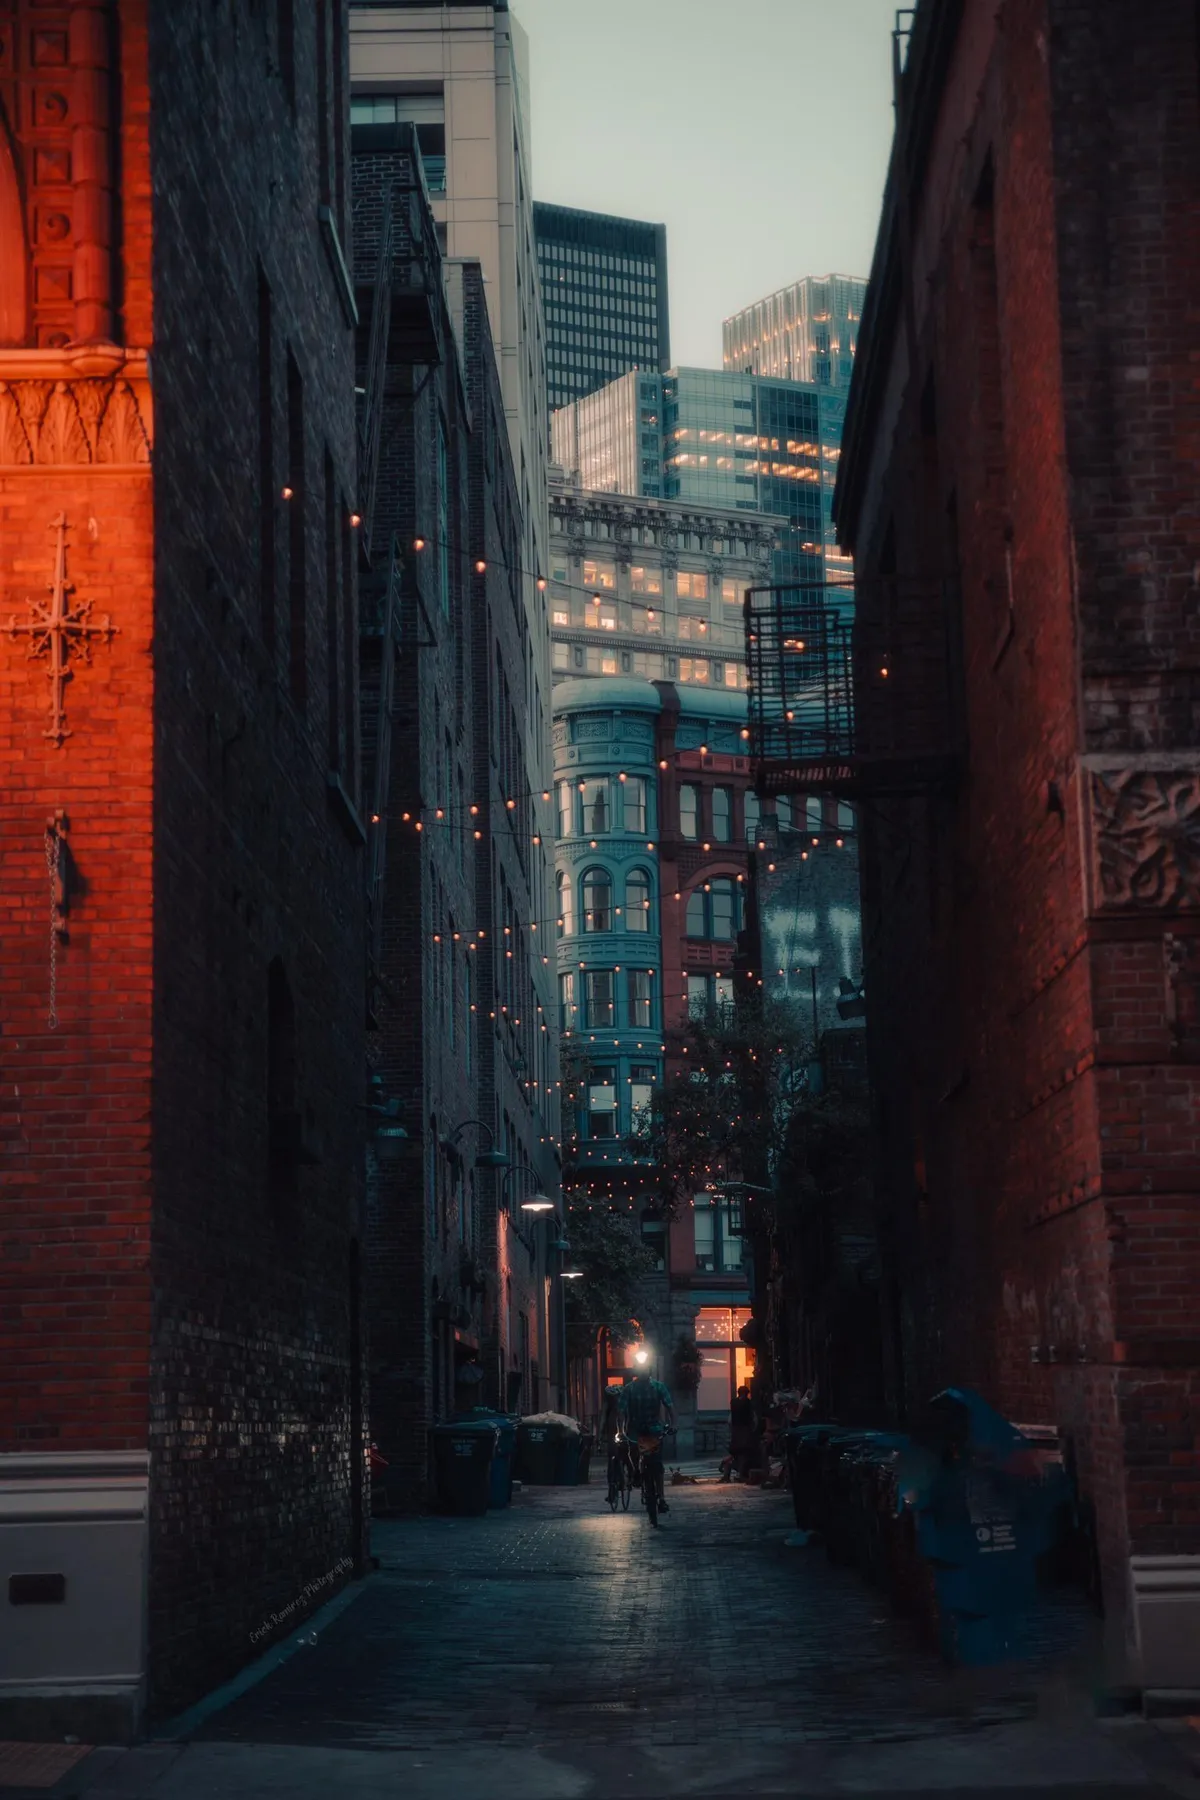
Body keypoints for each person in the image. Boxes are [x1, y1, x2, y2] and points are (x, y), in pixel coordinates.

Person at [622, 1366, 675, 1513]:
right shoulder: (629, 1389)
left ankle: (662, 1498)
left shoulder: (658, 1387)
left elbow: (669, 1406)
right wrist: (621, 1430)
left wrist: (673, 1424)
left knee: (657, 1465)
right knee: (632, 1451)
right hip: (635, 1429)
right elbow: (621, 1410)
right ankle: (635, 1473)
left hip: (653, 1429)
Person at [726, 1384, 757, 1482]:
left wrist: (732, 1429)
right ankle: (740, 1473)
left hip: (736, 1430)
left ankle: (727, 1474)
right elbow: (754, 1418)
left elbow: (730, 1420)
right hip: (745, 1430)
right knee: (744, 1453)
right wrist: (753, 1428)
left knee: (735, 1452)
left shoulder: (733, 1402)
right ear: (747, 1393)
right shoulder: (748, 1403)